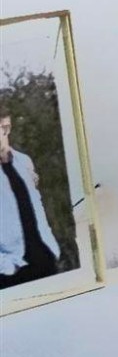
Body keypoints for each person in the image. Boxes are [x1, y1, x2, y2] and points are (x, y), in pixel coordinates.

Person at [0, 108, 66, 288]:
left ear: (6, 128)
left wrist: (51, 247)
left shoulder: (24, 162)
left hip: (45, 259)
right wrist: (6, 266)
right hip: (12, 272)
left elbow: (37, 205)